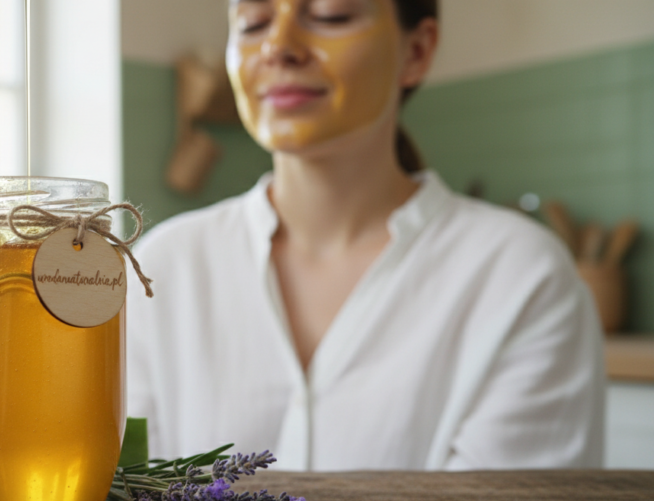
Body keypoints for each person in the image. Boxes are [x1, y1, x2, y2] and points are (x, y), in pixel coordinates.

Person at [125, 0, 604, 471]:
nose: (278, 46)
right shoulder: (162, 268)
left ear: (415, 52)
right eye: (253, 23)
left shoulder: (523, 277)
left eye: (331, 15)